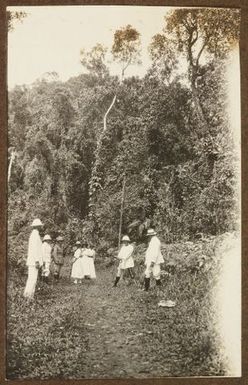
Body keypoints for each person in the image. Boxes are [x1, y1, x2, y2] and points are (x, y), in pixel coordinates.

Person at [23, 218, 43, 299]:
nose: (41, 227)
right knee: (32, 279)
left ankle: (29, 295)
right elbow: (35, 249)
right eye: (40, 226)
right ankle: (28, 296)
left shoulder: (35, 234)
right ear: (37, 226)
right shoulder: (35, 235)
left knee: (32, 279)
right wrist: (37, 261)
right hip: (34, 261)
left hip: (33, 261)